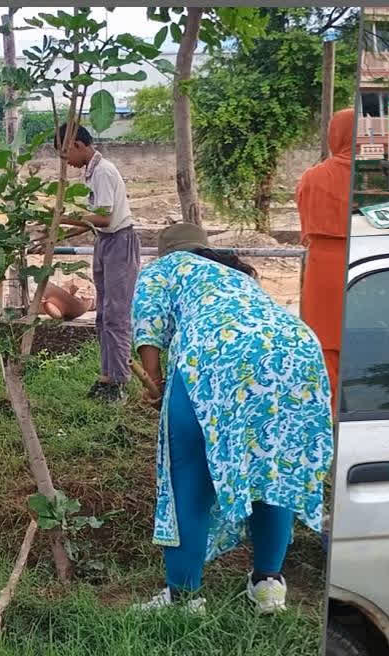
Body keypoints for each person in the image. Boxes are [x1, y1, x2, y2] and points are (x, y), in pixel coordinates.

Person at [131, 223, 334, 614]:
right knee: (274, 467)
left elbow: (148, 327)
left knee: (187, 476)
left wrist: (154, 385)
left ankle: (184, 598)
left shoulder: (164, 269)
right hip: (297, 353)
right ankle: (267, 585)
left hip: (220, 356)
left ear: (166, 252)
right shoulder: (236, 275)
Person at [55, 123, 140, 402]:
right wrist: (57, 232)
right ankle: (107, 376)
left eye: (66, 152)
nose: (66, 160)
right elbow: (94, 222)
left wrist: (64, 218)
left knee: (116, 314)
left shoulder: (103, 172)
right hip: (106, 242)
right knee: (103, 315)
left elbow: (103, 218)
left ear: (79, 145)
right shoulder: (91, 172)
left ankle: (118, 382)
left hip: (119, 242)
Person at [294, 108, 354, 413]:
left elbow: (304, 220)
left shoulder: (313, 177)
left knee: (325, 345)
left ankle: (327, 418)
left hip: (322, 268)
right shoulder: (372, 176)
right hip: (361, 263)